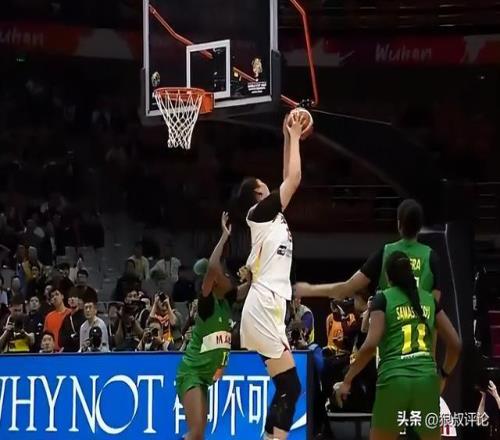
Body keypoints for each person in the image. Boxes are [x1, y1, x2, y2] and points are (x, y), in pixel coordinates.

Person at [336, 251, 461, 440]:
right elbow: (455, 344)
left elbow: (370, 345)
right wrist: (444, 375)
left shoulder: (383, 299)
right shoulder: (429, 300)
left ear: (388, 276)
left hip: (394, 382)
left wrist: (347, 380)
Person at [238, 112, 304, 440]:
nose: (271, 187)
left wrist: (287, 136)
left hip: (269, 305)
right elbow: (294, 179)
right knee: (291, 387)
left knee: (287, 386)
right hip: (264, 304)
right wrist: (296, 135)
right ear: (257, 195)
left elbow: (286, 176)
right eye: (265, 187)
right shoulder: (259, 213)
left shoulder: (271, 215)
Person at [176, 212, 251, 440]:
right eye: (222, 276)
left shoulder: (226, 301)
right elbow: (212, 267)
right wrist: (224, 236)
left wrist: (252, 274)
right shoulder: (207, 304)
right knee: (196, 433)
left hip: (205, 379)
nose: (226, 277)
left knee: (199, 435)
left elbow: (245, 289)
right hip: (191, 373)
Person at [295, 199, 442, 302]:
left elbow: (345, 289)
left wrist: (309, 290)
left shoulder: (386, 253)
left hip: (390, 336)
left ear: (398, 224)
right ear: (420, 227)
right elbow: (435, 312)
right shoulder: (431, 257)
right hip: (422, 337)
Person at [43, 287, 71, 351]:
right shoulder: (48, 317)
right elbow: (46, 335)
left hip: (68, 351)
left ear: (62, 296)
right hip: (52, 352)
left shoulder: (70, 313)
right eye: (52, 296)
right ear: (51, 301)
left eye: (57, 294)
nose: (55, 297)